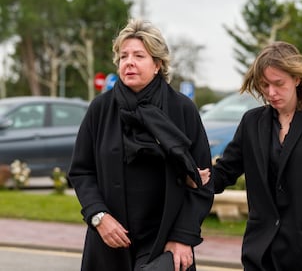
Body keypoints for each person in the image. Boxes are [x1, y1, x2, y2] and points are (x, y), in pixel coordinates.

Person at [68, 18, 214, 271]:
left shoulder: (182, 109)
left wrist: (182, 237)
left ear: (157, 64)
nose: (129, 62)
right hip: (109, 242)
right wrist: (98, 216)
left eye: (139, 55)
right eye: (123, 56)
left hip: (164, 241)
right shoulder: (100, 109)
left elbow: (202, 183)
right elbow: (81, 171)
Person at [211, 41, 302, 271]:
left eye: (278, 83)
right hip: (262, 255)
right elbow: (225, 171)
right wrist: (196, 177)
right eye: (264, 85)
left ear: (296, 79)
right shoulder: (251, 122)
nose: (271, 92)